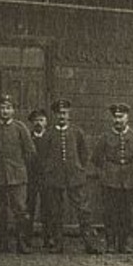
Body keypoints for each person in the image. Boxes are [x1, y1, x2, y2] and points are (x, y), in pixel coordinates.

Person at [38, 99, 100, 254]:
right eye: (59, 113)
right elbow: (43, 156)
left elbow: (84, 154)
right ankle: (58, 244)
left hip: (74, 176)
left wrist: (78, 168)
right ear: (55, 115)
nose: (62, 116)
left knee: (83, 210)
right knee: (55, 211)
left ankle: (89, 243)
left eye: (64, 113)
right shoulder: (49, 134)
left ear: (69, 114)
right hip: (54, 177)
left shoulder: (77, 132)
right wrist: (49, 170)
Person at [0, 94, 36, 253]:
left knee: (20, 209)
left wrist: (21, 168)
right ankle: (1, 242)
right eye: (2, 108)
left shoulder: (20, 128)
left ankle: (21, 242)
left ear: (13, 110)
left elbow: (30, 152)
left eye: (8, 108)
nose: (5, 111)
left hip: (17, 176)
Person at [94, 103, 133, 254]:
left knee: (127, 213)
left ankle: (124, 244)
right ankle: (111, 244)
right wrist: (105, 174)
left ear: (127, 117)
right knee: (111, 213)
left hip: (130, 179)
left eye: (121, 117)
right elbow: (96, 159)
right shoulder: (105, 137)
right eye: (115, 117)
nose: (118, 120)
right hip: (110, 179)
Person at [25, 107, 50, 250]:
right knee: (29, 208)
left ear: (46, 122)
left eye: (41, 120)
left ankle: (48, 239)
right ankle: (27, 240)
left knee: (48, 210)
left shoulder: (50, 138)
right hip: (30, 178)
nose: (38, 123)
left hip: (47, 178)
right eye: (35, 121)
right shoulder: (27, 138)